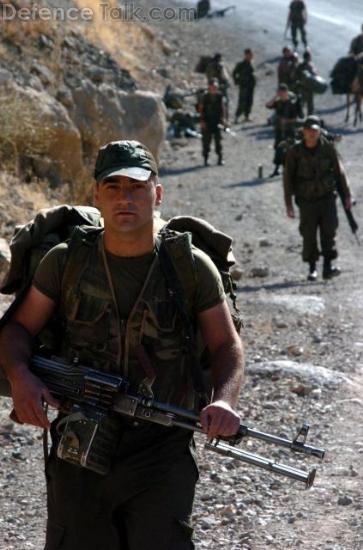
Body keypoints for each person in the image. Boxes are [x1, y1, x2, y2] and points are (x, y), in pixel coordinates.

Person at [0, 140, 244, 549]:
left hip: (160, 446)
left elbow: (226, 346)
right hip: (79, 440)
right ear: (96, 195)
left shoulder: (189, 266)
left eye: (136, 187)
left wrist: (225, 401)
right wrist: (20, 376)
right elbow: (16, 330)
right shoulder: (66, 260)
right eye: (112, 188)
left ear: (157, 194)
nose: (123, 199)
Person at [283, 116, 352, 281]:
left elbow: (339, 172)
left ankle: (328, 267)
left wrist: (347, 195)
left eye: (315, 130)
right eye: (309, 130)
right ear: (303, 132)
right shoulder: (295, 152)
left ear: (319, 131)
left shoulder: (328, 148)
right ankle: (312, 268)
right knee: (309, 234)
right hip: (306, 201)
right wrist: (289, 204)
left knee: (329, 231)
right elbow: (287, 179)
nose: (312, 134)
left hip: (327, 198)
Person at [266, 83, 303, 177]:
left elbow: (295, 118)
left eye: (283, 92)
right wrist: (275, 97)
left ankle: (293, 169)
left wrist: (286, 120)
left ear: (286, 92)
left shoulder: (291, 103)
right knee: (278, 148)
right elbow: (268, 105)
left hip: (289, 130)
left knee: (290, 149)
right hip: (279, 130)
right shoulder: (278, 102)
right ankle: (277, 169)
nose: (281, 94)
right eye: (280, 92)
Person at [199, 79, 228, 166]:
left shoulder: (220, 97)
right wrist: (202, 121)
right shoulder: (205, 97)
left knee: (218, 141)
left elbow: (223, 109)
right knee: (206, 142)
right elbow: (201, 110)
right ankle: (205, 159)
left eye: (215, 87)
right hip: (207, 122)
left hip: (217, 122)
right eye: (212, 87)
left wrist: (224, 120)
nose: (213, 89)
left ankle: (220, 158)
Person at [232, 48, 256, 123]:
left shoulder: (251, 64)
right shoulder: (241, 64)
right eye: (249, 55)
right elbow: (234, 73)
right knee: (242, 101)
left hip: (251, 85)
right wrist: (237, 82)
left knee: (249, 101)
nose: (251, 56)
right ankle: (237, 117)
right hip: (244, 86)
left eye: (251, 55)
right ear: (246, 55)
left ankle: (247, 116)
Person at [296, 49, 317, 115]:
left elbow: (295, 75)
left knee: (302, 102)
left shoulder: (300, 65)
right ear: (309, 57)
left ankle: (298, 115)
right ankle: (309, 118)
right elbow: (315, 76)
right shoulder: (310, 66)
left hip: (301, 87)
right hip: (309, 88)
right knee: (310, 105)